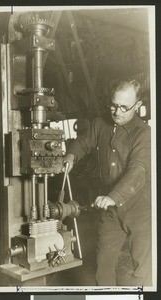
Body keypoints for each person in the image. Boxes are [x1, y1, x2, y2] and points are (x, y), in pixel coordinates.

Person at [64, 79, 152, 286]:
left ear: (137, 106)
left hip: (139, 207)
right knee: (103, 262)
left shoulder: (144, 134)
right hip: (110, 209)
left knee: (144, 266)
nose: (117, 111)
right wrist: (71, 156)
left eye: (124, 107)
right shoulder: (100, 123)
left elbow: (138, 171)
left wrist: (113, 197)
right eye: (113, 105)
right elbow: (84, 142)